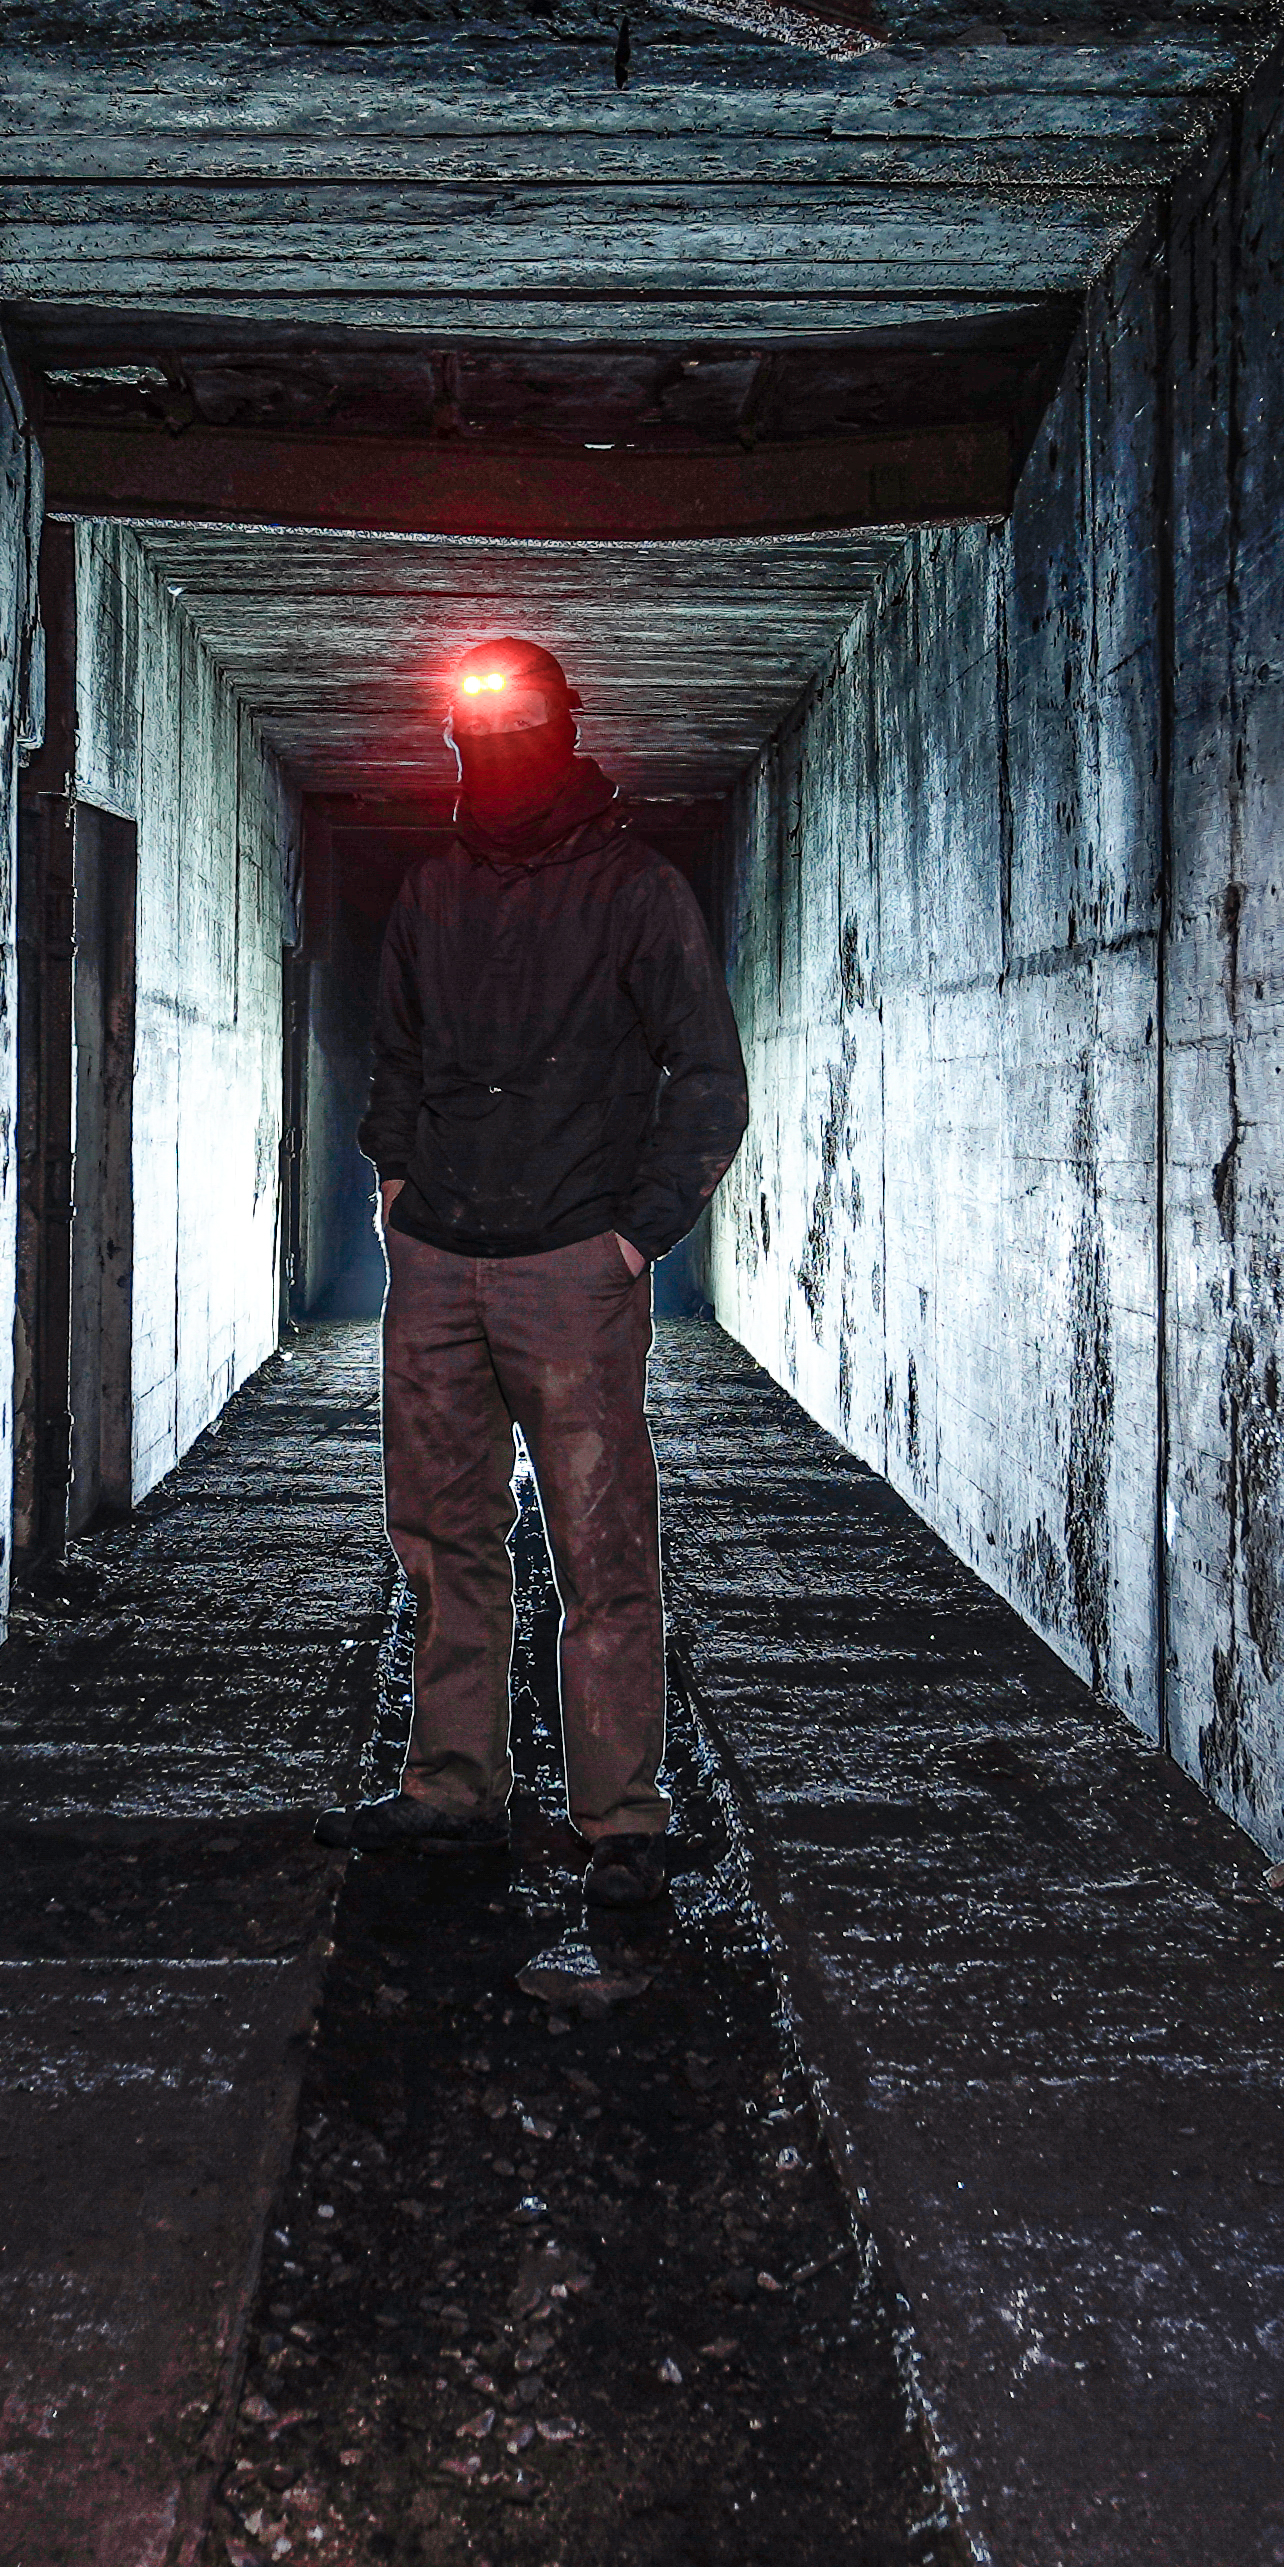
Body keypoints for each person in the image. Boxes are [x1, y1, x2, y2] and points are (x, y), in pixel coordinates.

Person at [345, 637, 747, 1968]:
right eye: (472, 727)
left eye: (514, 726)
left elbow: (704, 1070)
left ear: (564, 733)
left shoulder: (634, 892)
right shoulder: (434, 889)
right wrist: (397, 1184)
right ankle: (453, 1789)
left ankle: (621, 1822)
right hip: (440, 1265)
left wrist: (638, 1239)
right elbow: (395, 1050)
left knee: (601, 1552)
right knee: (443, 1538)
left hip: (574, 1267)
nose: (488, 750)